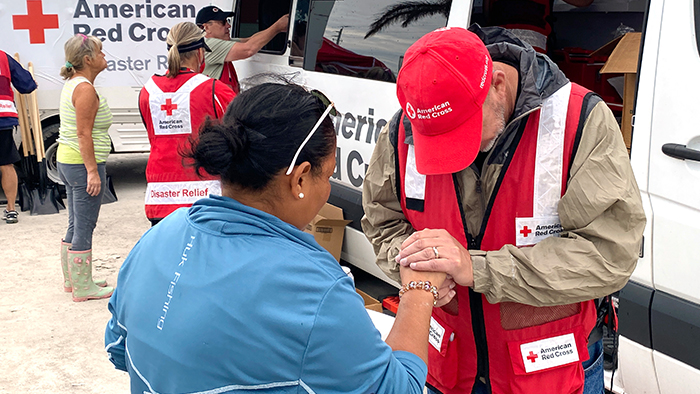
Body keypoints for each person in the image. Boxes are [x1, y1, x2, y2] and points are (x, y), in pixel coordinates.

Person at [105, 82, 446, 394]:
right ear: (299, 179)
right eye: (327, 175)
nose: (327, 190)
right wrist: (419, 290)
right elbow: (400, 389)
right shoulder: (312, 288)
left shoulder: (160, 235)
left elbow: (118, 349)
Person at [361, 26, 645, 394]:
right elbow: (382, 223)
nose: (456, 153)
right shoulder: (406, 127)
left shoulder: (579, 120)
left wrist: (478, 268)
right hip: (446, 369)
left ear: (497, 84)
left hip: (549, 375)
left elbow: (609, 255)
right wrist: (414, 265)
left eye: (462, 130)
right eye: (439, 140)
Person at [139, 22, 236, 226]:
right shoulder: (215, 90)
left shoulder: (147, 92)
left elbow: (153, 137)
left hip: (160, 197)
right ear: (200, 52)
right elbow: (238, 138)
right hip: (206, 197)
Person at [57, 34, 113, 302]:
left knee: (74, 222)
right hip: (81, 163)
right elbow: (83, 134)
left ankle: (73, 280)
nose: (105, 57)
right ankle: (83, 288)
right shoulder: (86, 90)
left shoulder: (73, 83)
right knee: (84, 225)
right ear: (88, 59)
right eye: (101, 53)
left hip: (67, 159)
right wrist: (92, 171)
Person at [195, 5, 289, 94]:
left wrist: (278, 28)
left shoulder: (219, 43)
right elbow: (249, 49)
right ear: (205, 27)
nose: (228, 26)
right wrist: (278, 27)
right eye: (223, 22)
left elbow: (251, 40)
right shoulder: (209, 44)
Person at [0, 49, 36, 224]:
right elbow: (26, 85)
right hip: (3, 117)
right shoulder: (2, 57)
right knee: (6, 163)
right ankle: (11, 209)